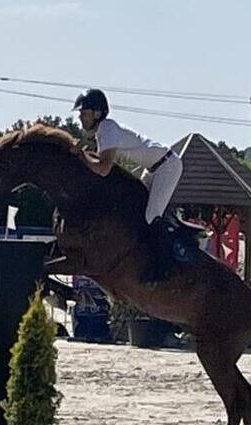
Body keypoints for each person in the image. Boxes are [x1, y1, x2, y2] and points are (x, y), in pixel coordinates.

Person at [71, 88, 184, 282]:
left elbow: (103, 168)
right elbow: (101, 162)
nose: (80, 117)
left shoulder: (106, 130)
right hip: (155, 168)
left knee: (150, 217)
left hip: (168, 166)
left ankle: (164, 267)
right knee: (137, 206)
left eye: (84, 113)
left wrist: (81, 156)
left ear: (97, 113)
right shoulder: (103, 130)